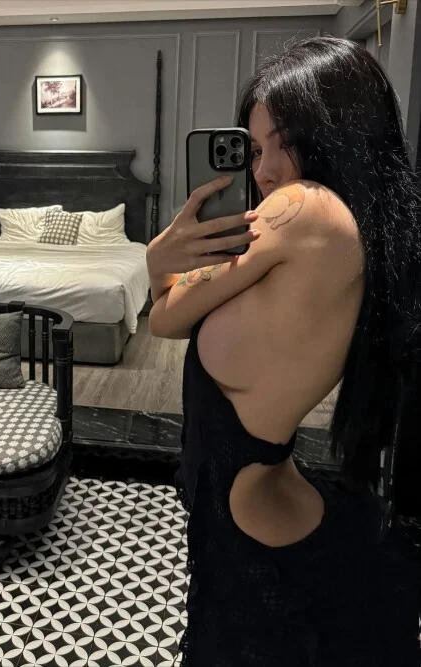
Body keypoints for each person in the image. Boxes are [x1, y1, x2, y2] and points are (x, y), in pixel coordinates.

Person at [146, 36, 420, 666]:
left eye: (284, 143)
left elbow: (164, 317)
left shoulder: (302, 209)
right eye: (254, 148)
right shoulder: (357, 227)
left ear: (339, 135)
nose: (262, 171)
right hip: (260, 498)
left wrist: (158, 260)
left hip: (250, 525)